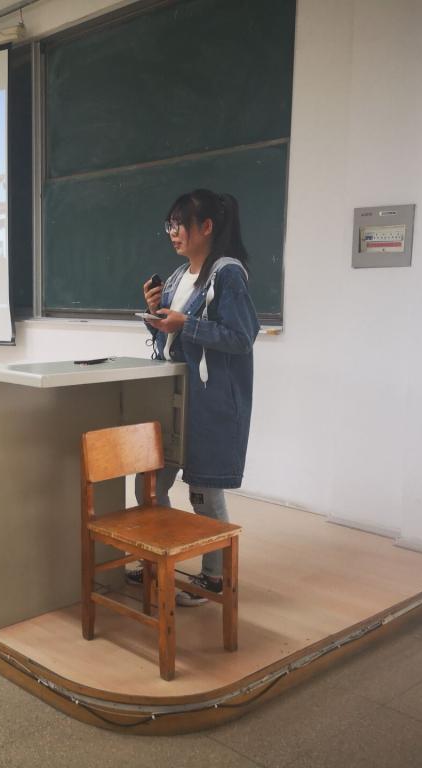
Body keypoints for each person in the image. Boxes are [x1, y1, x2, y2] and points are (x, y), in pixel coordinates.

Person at [132, 189, 259, 606]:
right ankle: (158, 560)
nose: (173, 232)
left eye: (179, 224)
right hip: (173, 396)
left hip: (208, 401)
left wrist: (185, 323)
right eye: (169, 225)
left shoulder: (227, 274)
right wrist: (156, 314)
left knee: (204, 492)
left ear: (206, 227)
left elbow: (241, 337)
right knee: (151, 483)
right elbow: (172, 337)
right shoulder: (176, 276)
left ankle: (215, 578)